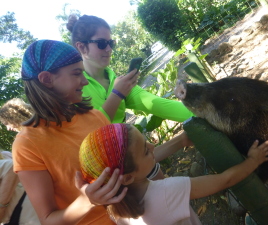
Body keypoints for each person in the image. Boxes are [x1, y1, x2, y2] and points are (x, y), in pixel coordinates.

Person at [12, 39, 128, 225]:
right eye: (76, 73)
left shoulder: (94, 116)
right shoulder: (27, 144)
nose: (84, 80)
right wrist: (86, 201)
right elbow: (48, 219)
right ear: (47, 79)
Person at [79, 123, 268, 225]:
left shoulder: (117, 209)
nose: (152, 145)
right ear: (128, 178)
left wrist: (181, 140)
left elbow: (140, 165)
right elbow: (226, 179)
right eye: (146, 150)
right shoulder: (169, 190)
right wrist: (254, 160)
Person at [66, 14, 194, 124]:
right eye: (102, 43)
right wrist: (117, 94)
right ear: (82, 47)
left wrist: (208, 111)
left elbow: (160, 105)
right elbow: (87, 131)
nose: (109, 49)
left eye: (111, 43)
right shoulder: (73, 89)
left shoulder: (117, 82)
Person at [0, 98, 40, 225]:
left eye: (7, 123)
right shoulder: (42, 127)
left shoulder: (25, 139)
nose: (7, 128)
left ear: (14, 118)